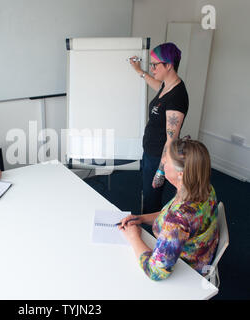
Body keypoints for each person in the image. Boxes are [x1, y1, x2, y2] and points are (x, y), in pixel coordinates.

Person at [119, 138, 219, 281]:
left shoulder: (179, 219)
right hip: (200, 253)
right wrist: (141, 218)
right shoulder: (204, 188)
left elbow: (155, 272)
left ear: (181, 174)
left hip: (186, 272)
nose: (163, 160)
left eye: (167, 159)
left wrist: (133, 237)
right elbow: (169, 215)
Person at [129, 42, 189, 214]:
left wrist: (161, 171)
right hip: (150, 152)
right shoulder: (166, 85)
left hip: (158, 157)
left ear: (169, 65)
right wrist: (139, 71)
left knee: (152, 198)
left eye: (155, 65)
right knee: (147, 193)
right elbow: (155, 84)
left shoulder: (177, 97)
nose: (152, 68)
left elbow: (171, 139)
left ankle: (152, 234)